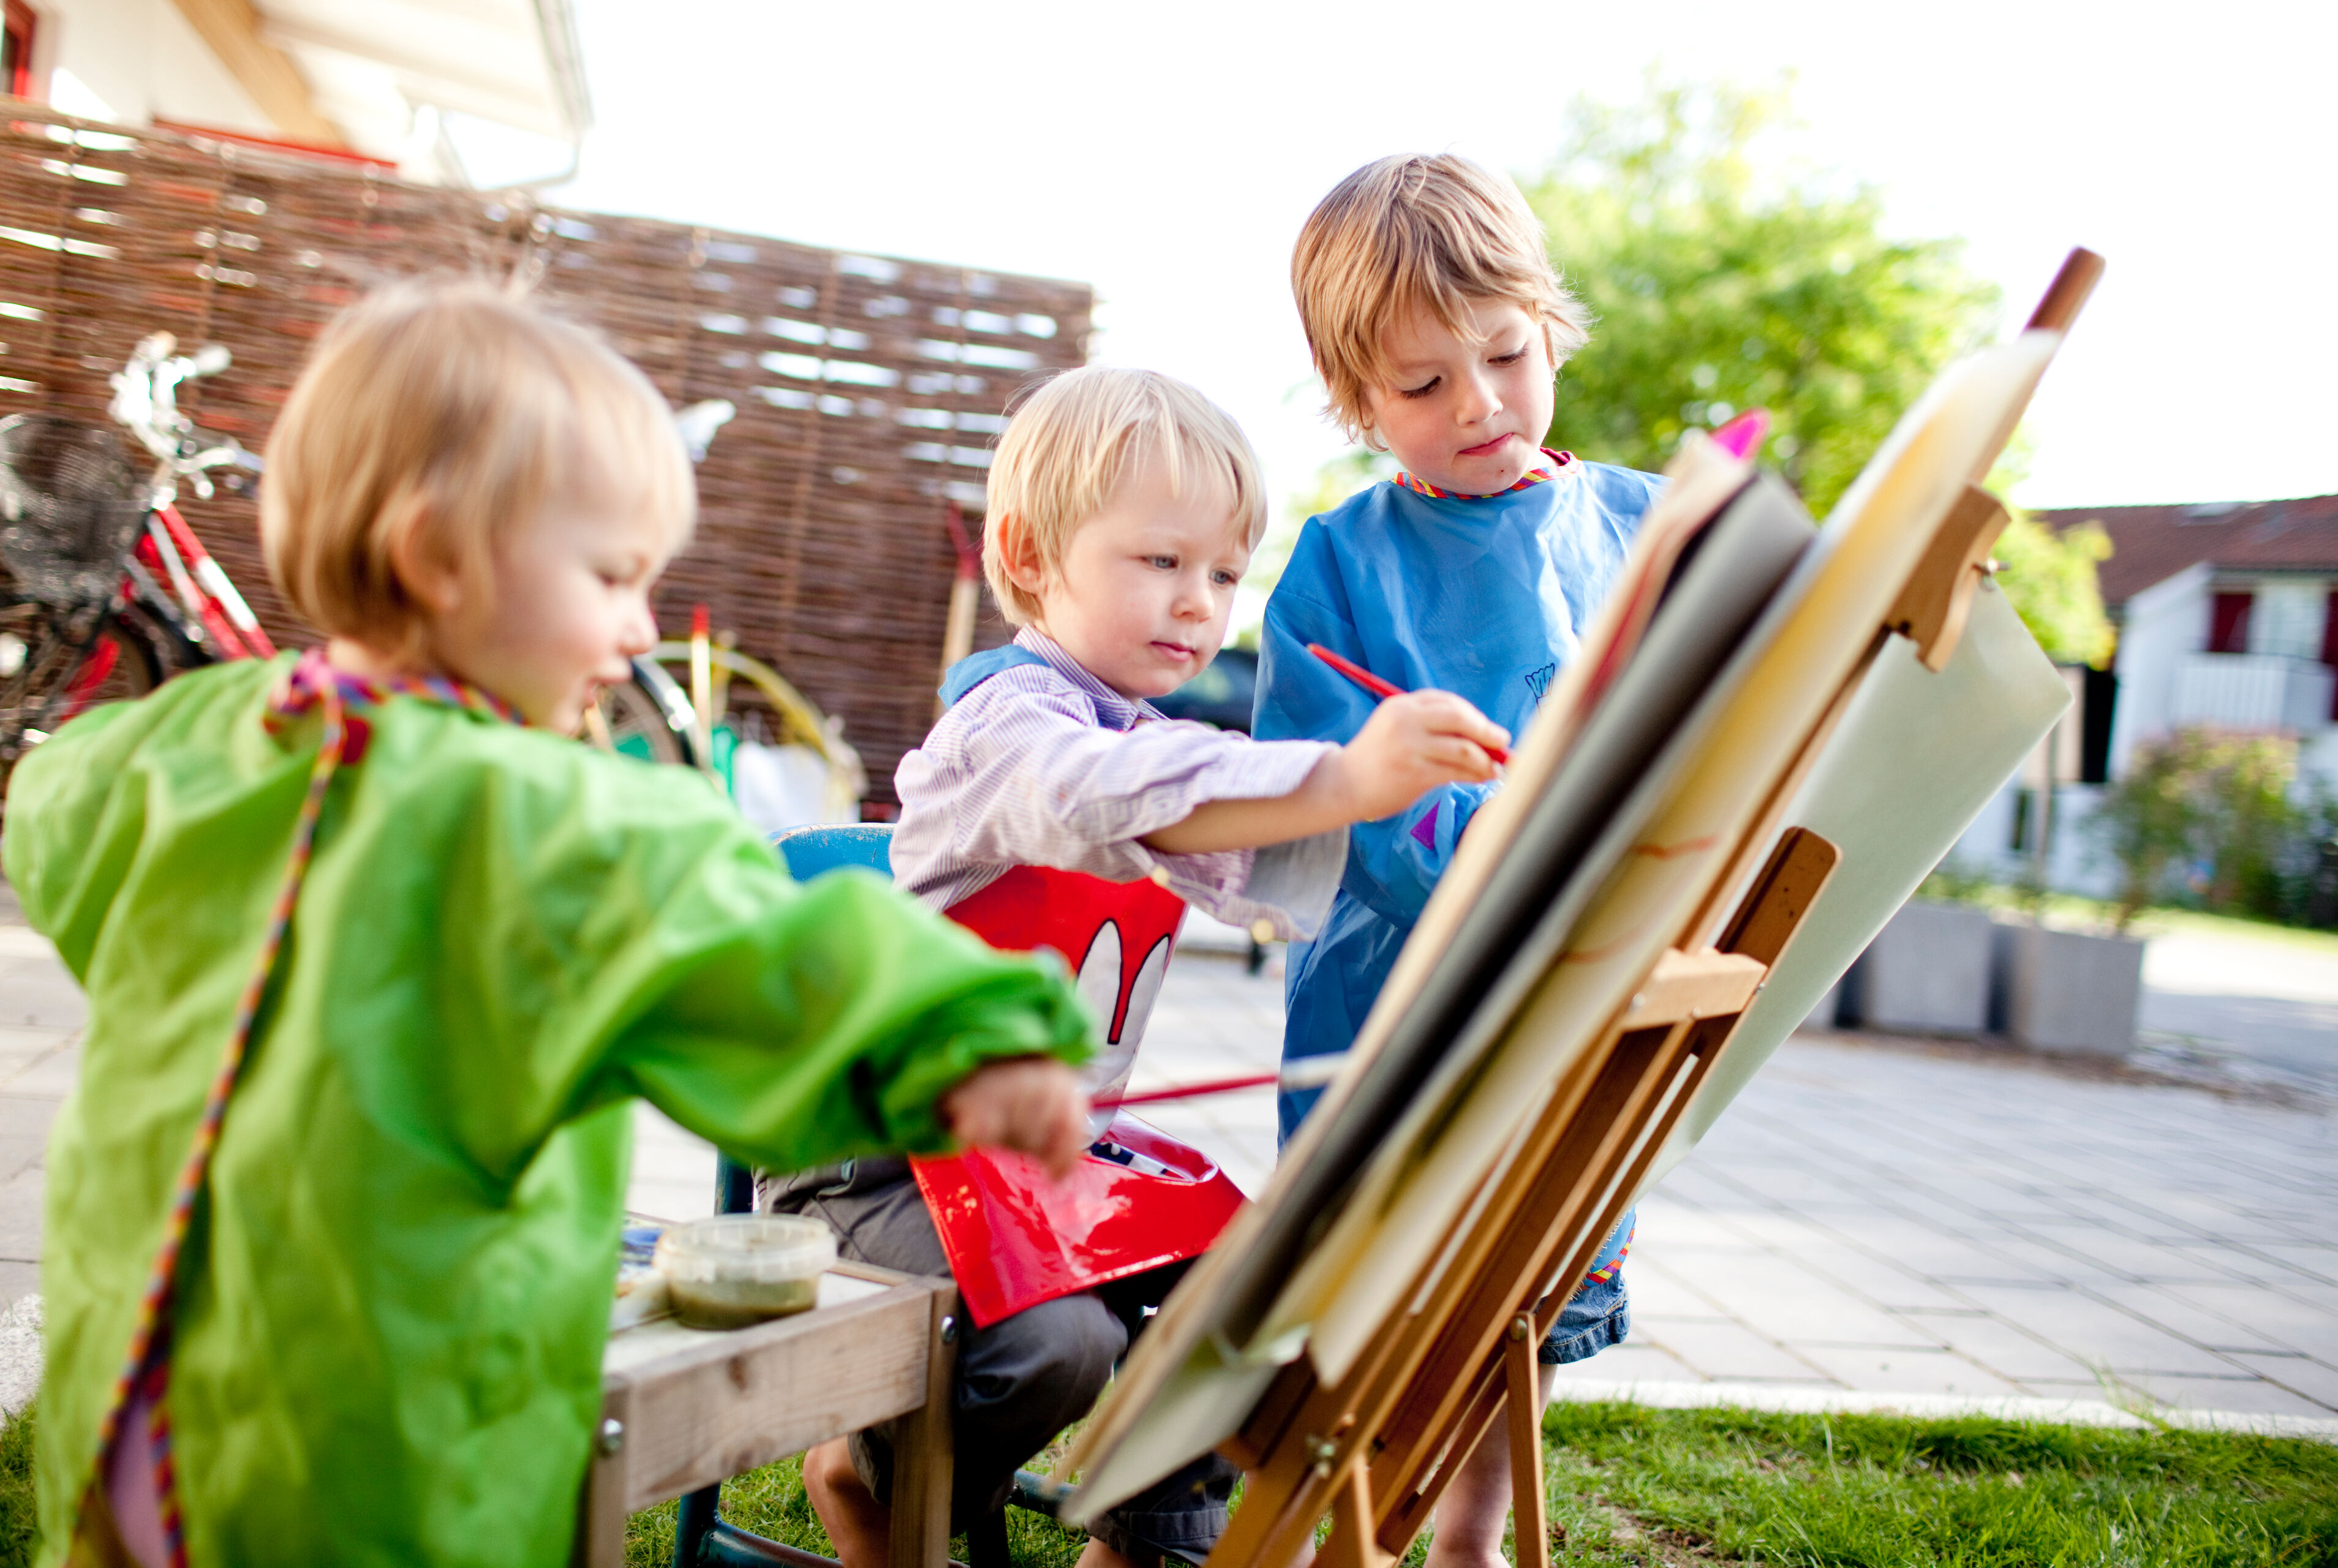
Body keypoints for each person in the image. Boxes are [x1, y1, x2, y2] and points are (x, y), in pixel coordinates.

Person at [1, 281, 1098, 1568]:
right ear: (438, 558)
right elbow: (775, 963)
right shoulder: (557, 820)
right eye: (614, 576)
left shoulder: (173, 748)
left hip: (144, 1404)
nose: (640, 627)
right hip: (394, 1439)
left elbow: (50, 819)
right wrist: (969, 1037)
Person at [771, 364, 1506, 1568]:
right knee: (1055, 1345)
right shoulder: (1008, 728)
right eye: (1161, 560)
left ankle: (1139, 1542)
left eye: (1223, 574)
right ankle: (873, 1474)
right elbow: (1110, 795)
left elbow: (1258, 856)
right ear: (1028, 553)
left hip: (1037, 1166)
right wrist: (1337, 774)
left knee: (1251, 1284)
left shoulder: (1152, 740)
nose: (1198, 603)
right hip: (882, 1164)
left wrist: (1463, 841)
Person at [1253, 154, 1662, 1568]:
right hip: (1398, 997)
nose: (1480, 403)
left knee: (1536, 1278)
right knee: (1389, 1289)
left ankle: (1473, 1536)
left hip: (1589, 998)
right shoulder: (1340, 562)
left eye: (1506, 354)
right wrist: (1489, 872)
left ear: (1552, 328)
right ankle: (1363, 1522)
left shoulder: (1648, 522)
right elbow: (1328, 791)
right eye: (1424, 384)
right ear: (1356, 399)